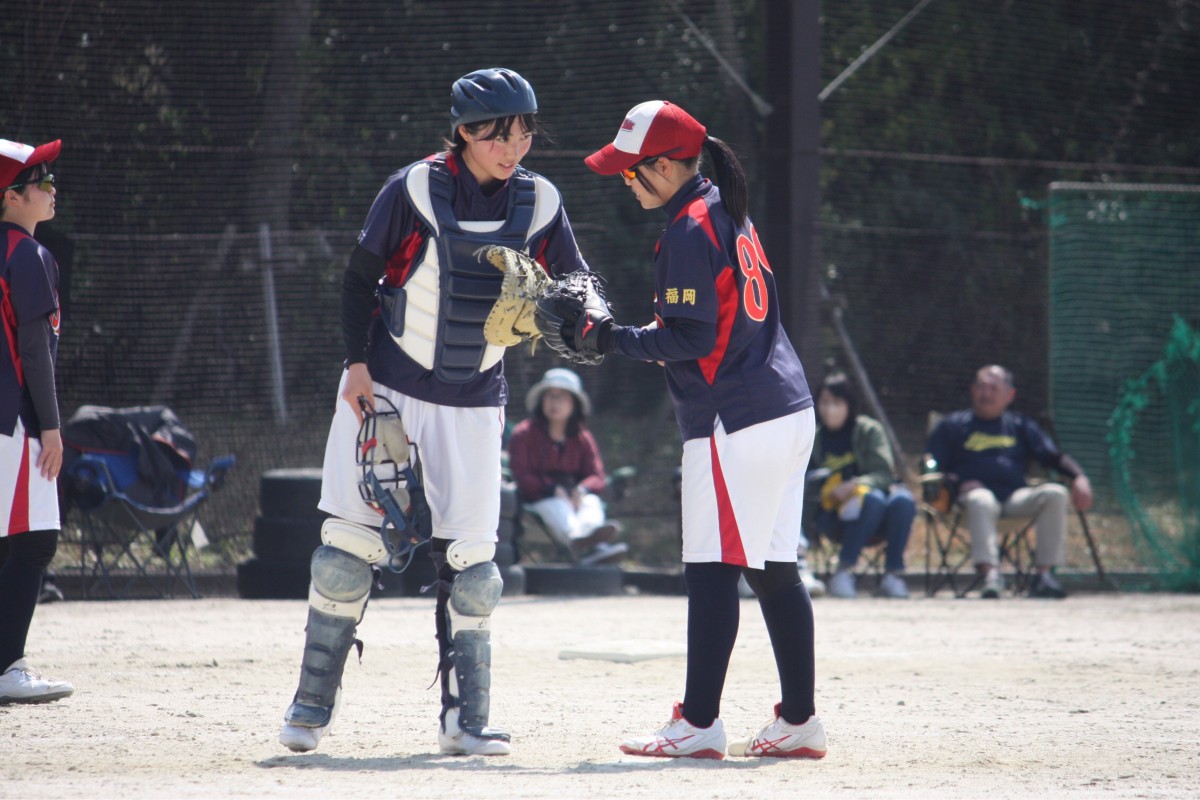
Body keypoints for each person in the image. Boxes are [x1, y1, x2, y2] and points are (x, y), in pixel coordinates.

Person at [277, 68, 592, 756]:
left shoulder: (541, 201)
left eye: (524, 133)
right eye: (499, 134)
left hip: (474, 400)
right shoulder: (412, 188)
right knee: (346, 552)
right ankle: (311, 704)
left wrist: (579, 310)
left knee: (475, 566)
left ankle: (464, 721)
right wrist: (355, 364)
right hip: (387, 385)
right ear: (465, 132)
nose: (514, 147)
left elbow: (575, 279)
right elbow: (358, 280)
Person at [571, 100, 826, 759]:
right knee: (774, 569)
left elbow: (690, 339)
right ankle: (799, 721)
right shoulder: (724, 208)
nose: (626, 181)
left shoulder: (689, 227)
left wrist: (607, 339)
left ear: (663, 166)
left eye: (631, 170)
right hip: (784, 408)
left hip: (734, 420)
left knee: (712, 571)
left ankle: (699, 723)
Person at [0, 137, 74, 704]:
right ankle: (7, 666)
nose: (52, 190)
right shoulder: (26, 253)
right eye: (41, 182)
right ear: (11, 195)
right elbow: (33, 348)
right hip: (15, 422)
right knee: (34, 540)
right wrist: (51, 427)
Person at [925, 364, 1093, 599]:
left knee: (1055, 493)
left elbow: (1052, 456)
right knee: (981, 499)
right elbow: (932, 466)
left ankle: (1043, 576)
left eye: (994, 388)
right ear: (972, 390)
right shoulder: (952, 426)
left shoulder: (1020, 426)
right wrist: (957, 483)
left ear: (1010, 395)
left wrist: (1079, 477)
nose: (986, 394)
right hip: (968, 504)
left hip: (1014, 497)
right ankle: (991, 576)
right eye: (981, 387)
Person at [807, 372, 915, 599]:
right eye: (825, 402)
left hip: (878, 515)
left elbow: (884, 473)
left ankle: (892, 575)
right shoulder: (813, 436)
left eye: (837, 402)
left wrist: (854, 485)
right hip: (832, 516)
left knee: (903, 500)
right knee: (873, 500)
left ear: (850, 403)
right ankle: (843, 572)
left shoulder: (869, 430)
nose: (830, 409)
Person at [507, 367, 628, 565]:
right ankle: (587, 545)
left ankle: (593, 545)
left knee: (591, 502)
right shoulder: (523, 434)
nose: (554, 403)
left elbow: (597, 476)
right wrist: (552, 489)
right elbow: (521, 475)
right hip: (539, 500)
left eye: (561, 397)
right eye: (550, 396)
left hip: (575, 498)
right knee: (559, 506)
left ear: (574, 403)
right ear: (541, 400)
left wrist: (582, 490)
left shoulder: (583, 437)